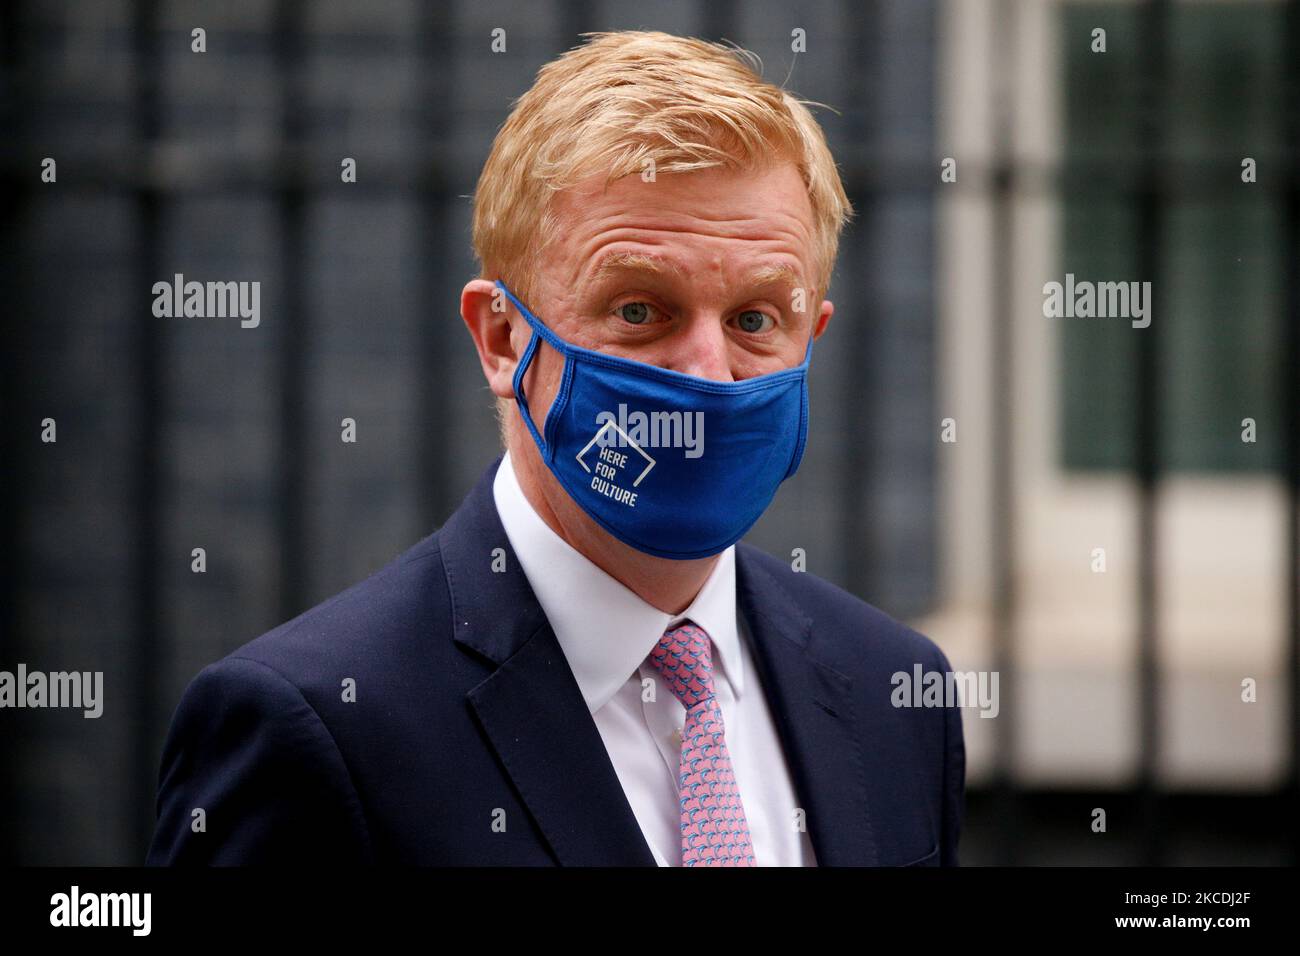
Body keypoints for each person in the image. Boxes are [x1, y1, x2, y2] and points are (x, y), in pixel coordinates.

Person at [147, 29, 965, 867]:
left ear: (811, 337)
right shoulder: (316, 729)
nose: (710, 375)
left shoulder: (893, 692)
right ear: (502, 338)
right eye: (641, 310)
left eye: (756, 319)